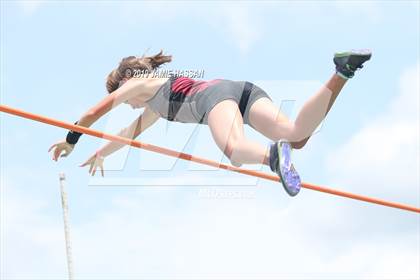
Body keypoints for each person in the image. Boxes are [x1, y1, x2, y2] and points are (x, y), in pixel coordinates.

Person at [49, 50, 371, 197]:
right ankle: (342, 72)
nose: (128, 102)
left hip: (216, 99)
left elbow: (95, 112)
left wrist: (71, 140)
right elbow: (127, 134)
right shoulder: (155, 105)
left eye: (122, 93)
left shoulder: (138, 85)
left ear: (125, 82)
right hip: (242, 91)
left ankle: (271, 156)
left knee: (234, 150)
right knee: (298, 136)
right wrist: (103, 153)